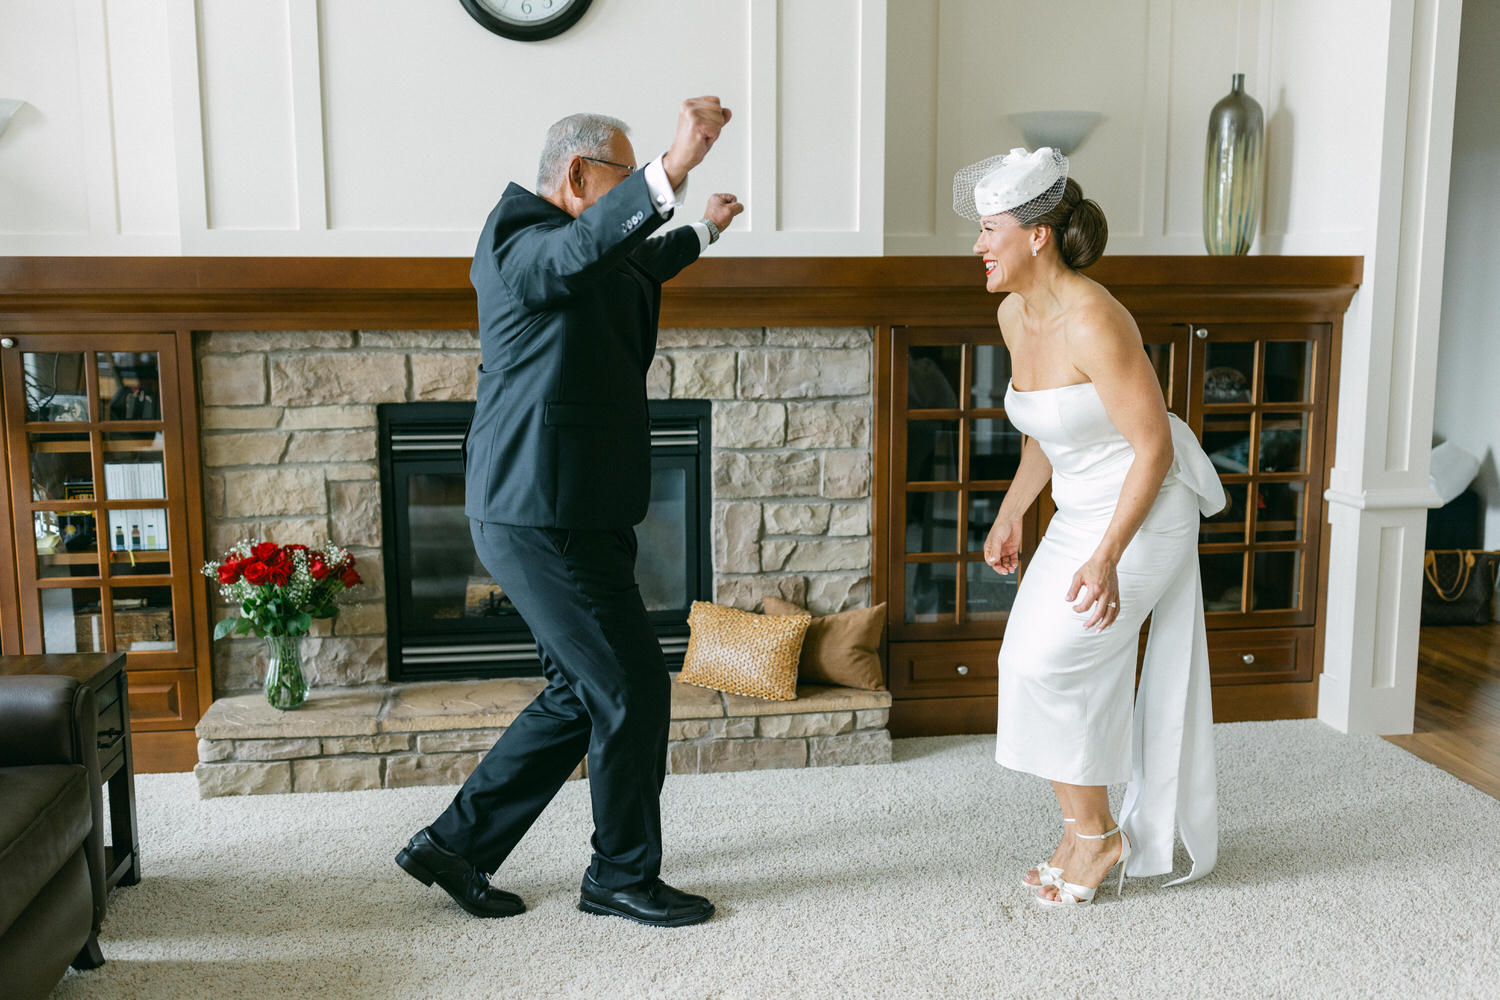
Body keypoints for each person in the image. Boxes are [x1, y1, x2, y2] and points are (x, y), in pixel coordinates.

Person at [396, 98, 743, 927]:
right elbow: (584, 252)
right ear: (581, 175)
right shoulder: (518, 238)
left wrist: (706, 230)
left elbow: (630, 265)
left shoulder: (587, 253)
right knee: (629, 684)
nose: (637, 195)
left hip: (575, 506)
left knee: (582, 691)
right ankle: (620, 876)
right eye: (624, 177)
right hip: (539, 510)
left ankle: (455, 845)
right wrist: (672, 169)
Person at [958, 147, 1224, 906]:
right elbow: (1048, 425)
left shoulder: (1096, 320)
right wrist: (1012, 511)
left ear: (1036, 235)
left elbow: (1153, 446)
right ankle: (1084, 831)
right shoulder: (1014, 311)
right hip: (1077, 511)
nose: (977, 246)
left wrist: (1107, 556)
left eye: (988, 230)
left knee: (1057, 664)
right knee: (1025, 665)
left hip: (1143, 515)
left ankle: (1100, 836)